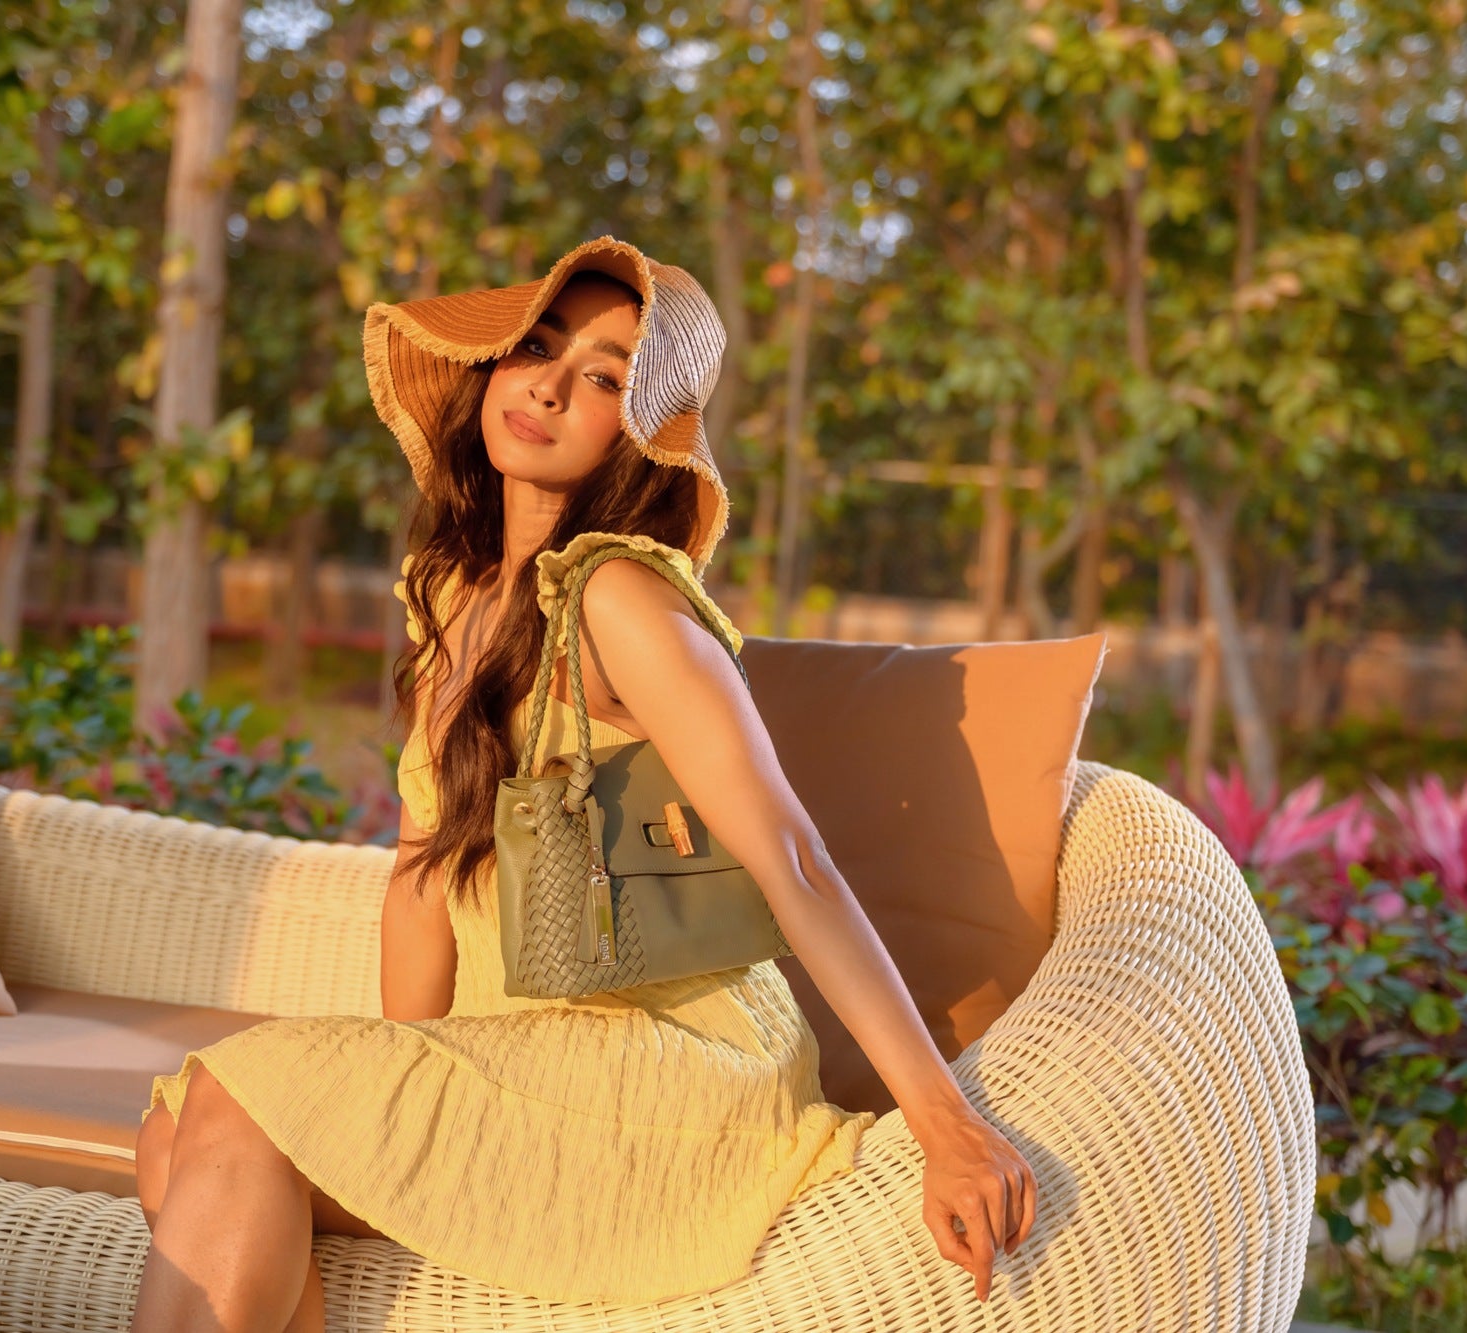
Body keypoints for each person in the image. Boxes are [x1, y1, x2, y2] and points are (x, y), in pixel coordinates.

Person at [131, 237, 1037, 1332]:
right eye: (538, 348)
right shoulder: (452, 600)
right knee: (177, 1132)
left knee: (237, 1099)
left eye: (605, 377)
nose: (551, 385)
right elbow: (422, 877)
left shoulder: (619, 600)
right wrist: (395, 1080)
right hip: (525, 1059)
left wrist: (943, 1124)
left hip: (671, 1067)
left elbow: (791, 856)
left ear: (642, 432)